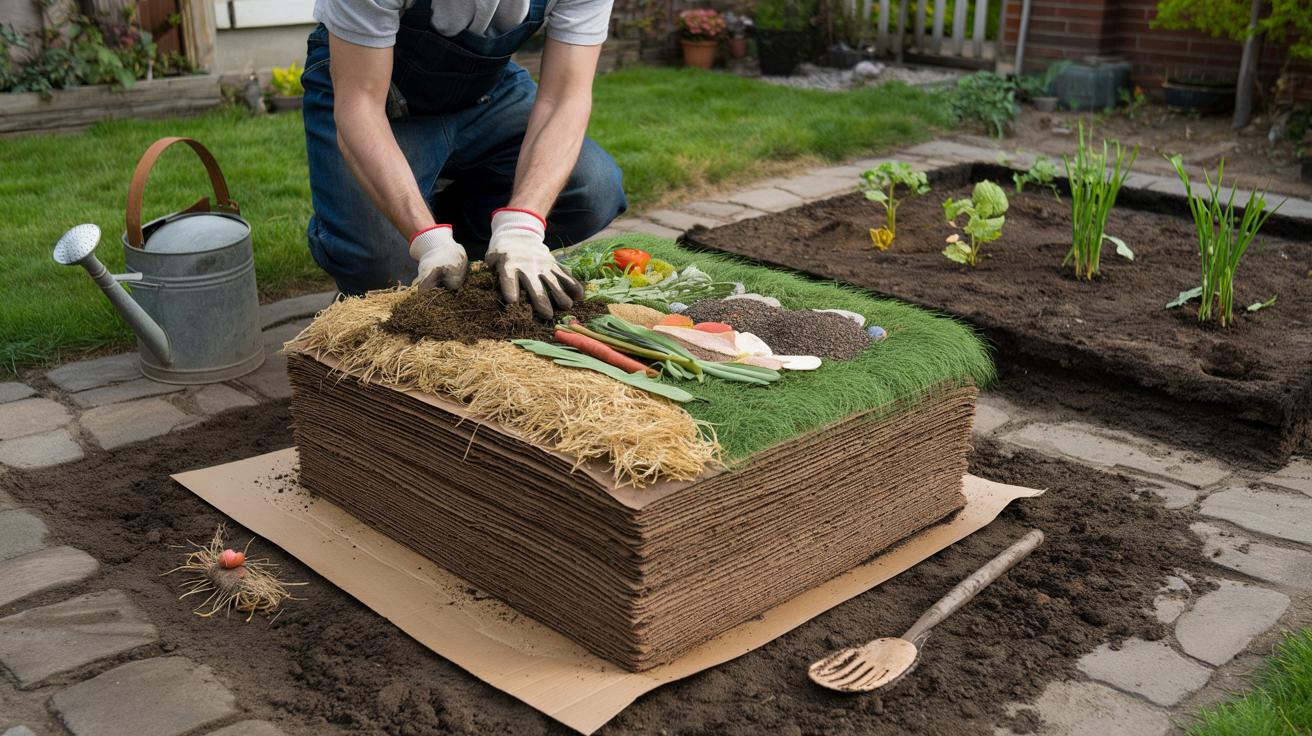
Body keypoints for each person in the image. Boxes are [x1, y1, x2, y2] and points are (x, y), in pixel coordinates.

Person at [302, 0, 627, 319]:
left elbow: (564, 99)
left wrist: (522, 226)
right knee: (384, 269)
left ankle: (459, 248)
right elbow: (360, 106)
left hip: (484, 94)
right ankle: (355, 233)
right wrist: (426, 240)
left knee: (592, 186)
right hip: (373, 94)